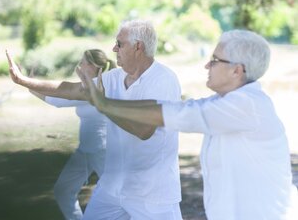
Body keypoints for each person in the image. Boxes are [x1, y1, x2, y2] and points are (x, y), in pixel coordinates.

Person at [79, 29, 298, 220]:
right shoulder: (227, 101)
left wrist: (104, 104)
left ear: (237, 70)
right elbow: (171, 106)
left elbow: (179, 113)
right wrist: (106, 103)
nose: (206, 65)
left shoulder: (246, 105)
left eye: (215, 60)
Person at [6, 19, 183, 219]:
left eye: (120, 43)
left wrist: (102, 104)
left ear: (138, 47)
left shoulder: (163, 80)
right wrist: (24, 80)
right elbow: (71, 89)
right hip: (112, 188)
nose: (113, 48)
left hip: (152, 194)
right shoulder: (114, 77)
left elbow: (144, 130)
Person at [29, 49, 115, 219]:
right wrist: (31, 86)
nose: (79, 65)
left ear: (93, 66)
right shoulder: (89, 84)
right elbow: (58, 94)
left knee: (117, 196)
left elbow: (57, 100)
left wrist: (29, 84)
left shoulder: (94, 86)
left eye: (83, 62)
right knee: (64, 190)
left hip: (102, 150)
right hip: (85, 150)